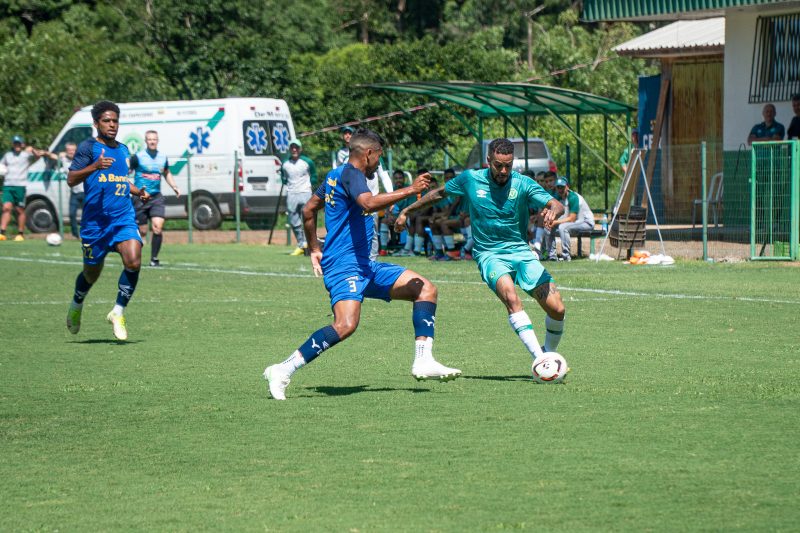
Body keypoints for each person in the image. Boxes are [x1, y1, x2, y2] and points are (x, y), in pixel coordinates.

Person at [263, 129, 461, 400]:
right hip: (344, 267)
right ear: (368, 153)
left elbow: (309, 210)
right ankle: (282, 369)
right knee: (345, 324)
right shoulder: (352, 175)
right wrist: (411, 190)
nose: (379, 163)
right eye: (379, 156)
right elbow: (367, 203)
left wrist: (314, 248)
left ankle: (423, 360)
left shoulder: (335, 175)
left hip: (365, 265)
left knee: (424, 288)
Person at [395, 138, 567, 371]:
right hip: (490, 254)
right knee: (511, 298)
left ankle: (548, 353)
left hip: (521, 252)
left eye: (508, 165)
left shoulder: (523, 183)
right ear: (488, 160)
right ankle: (541, 360)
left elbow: (556, 204)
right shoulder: (470, 179)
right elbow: (438, 194)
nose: (503, 171)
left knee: (557, 309)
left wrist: (553, 211)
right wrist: (407, 210)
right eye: (498, 165)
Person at [65, 100, 151, 341]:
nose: (112, 125)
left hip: (123, 218)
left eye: (115, 121)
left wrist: (138, 191)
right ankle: (77, 303)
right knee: (91, 274)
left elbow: (119, 179)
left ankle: (118, 311)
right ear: (96, 123)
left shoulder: (123, 150)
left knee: (134, 260)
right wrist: (94, 166)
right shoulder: (88, 147)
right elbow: (71, 179)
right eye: (106, 121)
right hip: (95, 224)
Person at [129, 130, 180, 267]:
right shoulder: (138, 157)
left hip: (156, 197)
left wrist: (174, 186)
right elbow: (127, 171)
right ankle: (135, 257)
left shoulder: (162, 157)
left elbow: (166, 172)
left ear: (157, 141)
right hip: (140, 197)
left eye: (154, 139)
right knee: (143, 231)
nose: (152, 141)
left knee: (158, 227)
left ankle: (154, 259)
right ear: (146, 141)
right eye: (150, 139)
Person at [0, 136, 51, 241]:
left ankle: (20, 233)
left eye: (19, 143)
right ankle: (2, 233)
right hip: (7, 185)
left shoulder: (26, 155)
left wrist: (32, 149)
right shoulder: (7, 155)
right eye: (15, 143)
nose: (17, 145)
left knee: (19, 209)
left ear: (22, 144)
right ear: (13, 144)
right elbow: (2, 166)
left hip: (20, 186)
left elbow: (37, 156)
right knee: (6, 208)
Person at [281, 138, 317, 256]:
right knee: (293, 220)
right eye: (292, 147)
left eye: (296, 147)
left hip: (305, 192)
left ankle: (310, 245)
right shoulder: (285, 163)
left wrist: (309, 184)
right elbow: (283, 178)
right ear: (290, 149)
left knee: (308, 218)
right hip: (291, 193)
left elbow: (314, 175)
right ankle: (301, 244)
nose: (294, 149)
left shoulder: (307, 161)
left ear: (300, 149)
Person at [546, 177, 595, 262]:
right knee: (547, 227)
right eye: (558, 187)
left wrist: (555, 222)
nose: (560, 189)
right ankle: (552, 256)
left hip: (586, 222)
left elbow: (572, 218)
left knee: (563, 227)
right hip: (574, 223)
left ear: (567, 187)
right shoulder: (557, 197)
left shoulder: (573, 197)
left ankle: (566, 257)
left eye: (562, 187)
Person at [57, 142, 82, 238]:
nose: (71, 152)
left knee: (87, 214)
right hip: (74, 192)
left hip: (85, 191)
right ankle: (75, 235)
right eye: (69, 150)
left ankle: (86, 233)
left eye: (73, 150)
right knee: (71, 214)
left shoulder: (82, 159)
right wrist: (58, 154)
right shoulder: (64, 160)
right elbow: (53, 156)